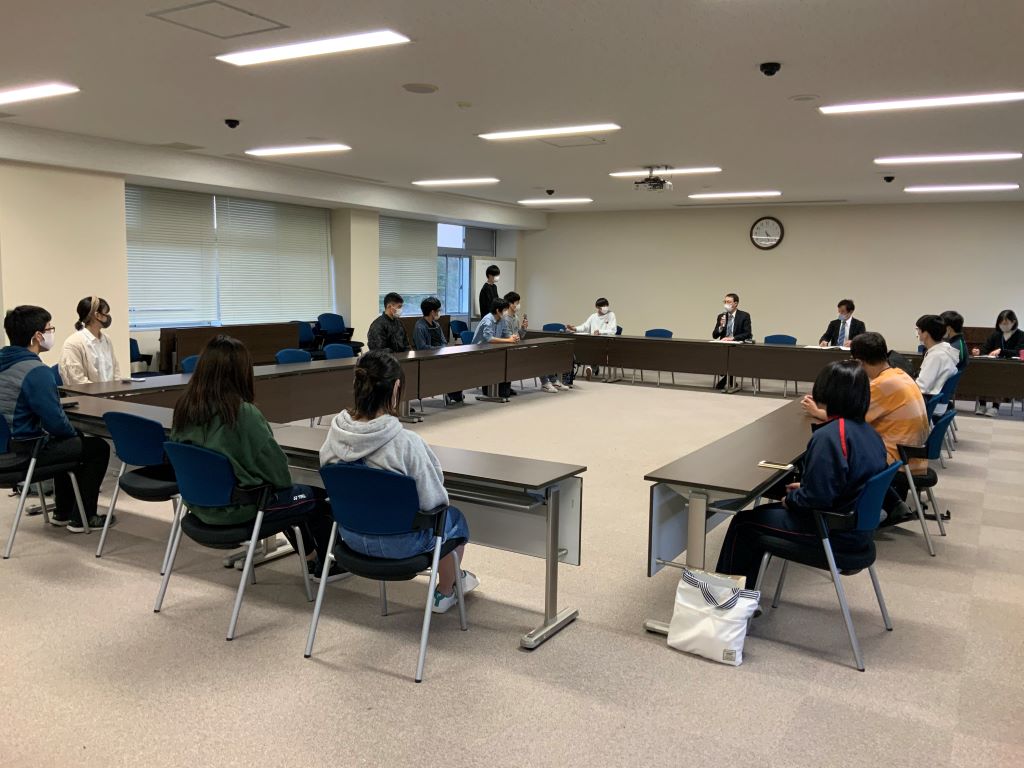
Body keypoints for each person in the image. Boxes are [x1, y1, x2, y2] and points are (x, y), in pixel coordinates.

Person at [319, 350, 477, 613]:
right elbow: (433, 502)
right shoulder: (407, 444)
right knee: (452, 519)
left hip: (350, 538)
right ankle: (445, 590)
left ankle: (452, 581)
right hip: (401, 546)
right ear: (396, 389)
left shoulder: (332, 438)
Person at [170, 335, 338, 577]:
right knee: (314, 495)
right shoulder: (242, 413)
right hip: (238, 510)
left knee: (287, 495)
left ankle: (310, 556)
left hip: (197, 505)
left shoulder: (184, 408)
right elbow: (279, 475)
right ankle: (327, 565)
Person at [718, 360, 888, 588]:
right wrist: (807, 488)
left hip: (831, 531)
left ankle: (727, 598)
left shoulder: (829, 437)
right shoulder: (871, 434)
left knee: (743, 523)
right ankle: (746, 592)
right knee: (760, 515)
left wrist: (792, 499)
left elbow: (815, 500)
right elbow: (847, 482)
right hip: (857, 530)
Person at [0, 305, 112, 532]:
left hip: (6, 449)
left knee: (67, 443)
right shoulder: (35, 371)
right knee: (96, 447)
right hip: (23, 454)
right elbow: (56, 423)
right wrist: (74, 434)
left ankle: (63, 512)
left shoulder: (5, 362)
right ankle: (83, 517)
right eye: (49, 328)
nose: (52, 332)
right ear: (37, 336)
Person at [802, 332, 928, 525]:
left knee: (844, 452)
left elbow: (848, 418)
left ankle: (832, 508)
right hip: (912, 451)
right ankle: (894, 503)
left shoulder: (882, 384)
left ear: (858, 362)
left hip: (899, 457)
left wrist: (817, 411)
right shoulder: (898, 374)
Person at [505, 291, 568, 393]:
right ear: (510, 304)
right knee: (537, 355)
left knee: (542, 352)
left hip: (518, 346)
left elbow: (520, 336)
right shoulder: (505, 319)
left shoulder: (515, 317)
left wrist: (523, 328)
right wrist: (516, 338)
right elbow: (509, 338)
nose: (518, 305)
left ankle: (553, 380)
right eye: (517, 303)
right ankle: (545, 383)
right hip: (511, 349)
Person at [58, 296, 123, 385]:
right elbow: (76, 380)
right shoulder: (73, 343)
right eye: (106, 313)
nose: (108, 316)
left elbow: (116, 371)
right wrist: (101, 393)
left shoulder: (106, 340)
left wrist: (117, 389)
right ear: (97, 315)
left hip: (111, 393)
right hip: (87, 394)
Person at [972, 309, 1024, 416]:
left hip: (1011, 369)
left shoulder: (1021, 335)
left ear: (1013, 322)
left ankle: (995, 406)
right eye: (1001, 323)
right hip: (993, 367)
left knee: (998, 376)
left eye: (1006, 323)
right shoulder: (996, 334)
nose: (1003, 325)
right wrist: (978, 351)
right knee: (983, 375)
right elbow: (986, 348)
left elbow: (1018, 352)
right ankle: (982, 404)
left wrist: (1001, 351)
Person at [413, 297, 463, 403]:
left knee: (457, 364)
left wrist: (442, 349)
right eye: (438, 310)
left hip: (440, 356)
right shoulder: (419, 327)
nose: (439, 312)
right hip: (427, 360)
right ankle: (452, 394)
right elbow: (422, 348)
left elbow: (444, 341)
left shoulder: (436, 325)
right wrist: (439, 349)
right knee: (448, 368)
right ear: (432, 312)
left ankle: (455, 393)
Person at [472, 298, 518, 397]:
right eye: (505, 310)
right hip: (480, 351)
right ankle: (491, 390)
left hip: (492, 350)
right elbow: (489, 338)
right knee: (496, 362)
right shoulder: (488, 320)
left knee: (507, 360)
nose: (506, 312)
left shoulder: (502, 320)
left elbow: (506, 334)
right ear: (498, 310)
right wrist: (508, 340)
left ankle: (503, 389)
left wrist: (513, 337)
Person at [566, 297, 617, 378]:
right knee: (585, 347)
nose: (605, 308)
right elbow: (585, 327)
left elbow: (613, 330)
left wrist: (600, 331)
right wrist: (574, 328)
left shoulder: (611, 315)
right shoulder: (593, 316)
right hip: (593, 341)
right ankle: (592, 369)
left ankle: (592, 369)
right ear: (597, 307)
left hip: (605, 342)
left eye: (606, 306)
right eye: (602, 306)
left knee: (596, 349)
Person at [712, 293, 752, 389]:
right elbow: (714, 335)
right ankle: (730, 379)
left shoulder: (744, 316)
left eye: (729, 302)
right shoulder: (721, 316)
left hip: (737, 346)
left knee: (733, 358)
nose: (726, 304)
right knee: (715, 355)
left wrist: (733, 338)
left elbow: (747, 333)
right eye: (725, 302)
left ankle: (726, 379)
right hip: (723, 347)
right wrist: (721, 327)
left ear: (735, 303)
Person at [914, 314, 958, 397]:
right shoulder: (945, 349)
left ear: (925, 334)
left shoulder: (936, 356)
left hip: (926, 399)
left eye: (918, 329)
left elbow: (922, 387)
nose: (917, 333)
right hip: (933, 395)